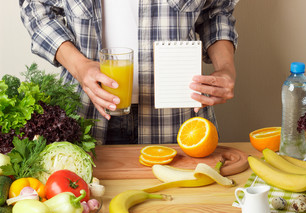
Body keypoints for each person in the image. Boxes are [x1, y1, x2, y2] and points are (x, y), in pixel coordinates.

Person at [19, 0, 238, 145]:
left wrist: (226, 69)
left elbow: (217, 11)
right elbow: (36, 8)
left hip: (177, 120)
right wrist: (79, 66)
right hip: (86, 113)